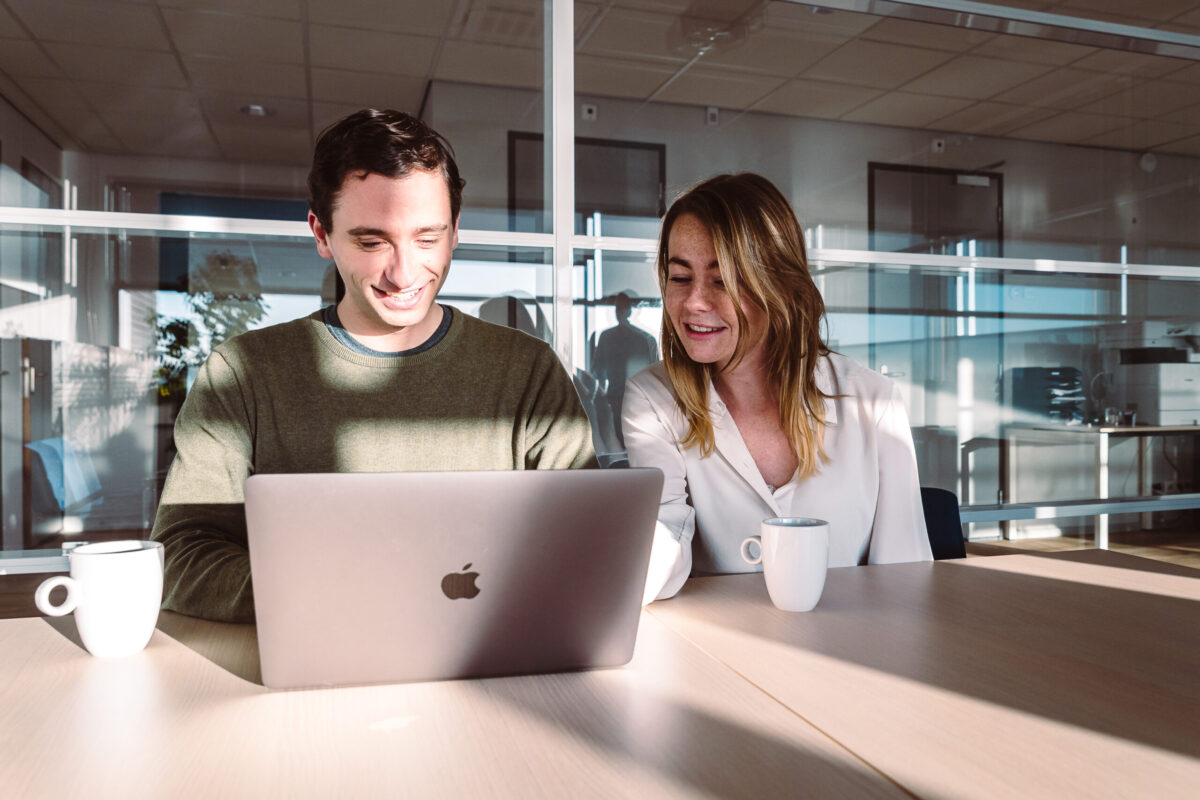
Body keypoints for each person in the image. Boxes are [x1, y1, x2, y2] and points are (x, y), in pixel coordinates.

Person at [151, 109, 596, 622]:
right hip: (318, 664)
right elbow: (181, 554)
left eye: (427, 239)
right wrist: (324, 599)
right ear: (321, 234)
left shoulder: (528, 370)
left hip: (494, 665)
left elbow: (589, 540)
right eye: (371, 241)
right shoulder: (242, 374)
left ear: (455, 232)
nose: (404, 272)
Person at [622, 173, 931, 603]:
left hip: (854, 648)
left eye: (723, 279)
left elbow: (906, 574)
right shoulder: (653, 399)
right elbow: (662, 528)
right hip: (722, 649)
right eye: (679, 278)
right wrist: (620, 575)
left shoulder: (874, 401)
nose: (693, 301)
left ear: (779, 284)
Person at [590, 290, 658, 437]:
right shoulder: (645, 339)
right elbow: (599, 372)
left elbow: (598, 373)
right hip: (630, 400)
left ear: (628, 311)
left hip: (623, 400)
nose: (618, 312)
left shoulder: (643, 339)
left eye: (620, 308)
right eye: (617, 309)